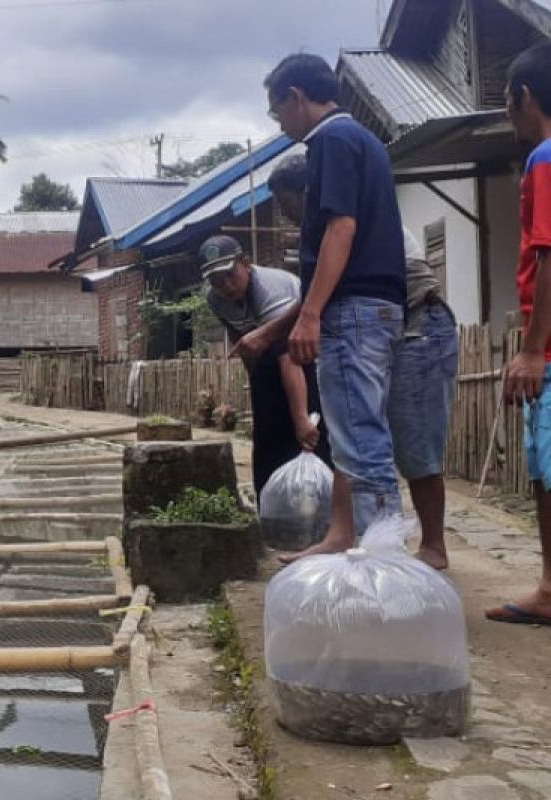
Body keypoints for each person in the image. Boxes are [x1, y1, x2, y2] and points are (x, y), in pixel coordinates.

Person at [236, 54, 407, 548]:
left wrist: (309, 314)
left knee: (360, 439)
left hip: (352, 309)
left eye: (277, 113)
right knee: (359, 433)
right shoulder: (365, 140)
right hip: (378, 307)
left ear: (295, 97)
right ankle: (359, 543)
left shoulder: (329, 140)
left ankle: (384, 561)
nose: (281, 124)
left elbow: (341, 226)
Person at [267, 155, 459, 569]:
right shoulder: (325, 232)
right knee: (353, 432)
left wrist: (271, 331)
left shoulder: (350, 223)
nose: (286, 216)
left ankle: (433, 546)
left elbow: (319, 294)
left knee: (414, 444)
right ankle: (342, 536)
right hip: (385, 331)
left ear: (309, 193)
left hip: (419, 329)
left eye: (288, 205)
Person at [487, 42, 551, 625]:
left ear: (524, 96)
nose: (507, 112)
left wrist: (533, 351)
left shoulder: (546, 158)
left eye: (507, 100)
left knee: (550, 469)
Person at [197, 234, 330, 500]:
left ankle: (317, 514)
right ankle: (272, 510)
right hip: (270, 361)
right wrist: (257, 388)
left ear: (245, 263)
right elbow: (243, 344)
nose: (225, 285)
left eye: (229, 275)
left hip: (305, 357)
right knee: (268, 445)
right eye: (216, 280)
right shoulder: (215, 298)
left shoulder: (271, 289)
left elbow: (288, 355)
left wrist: (302, 418)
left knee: (306, 438)